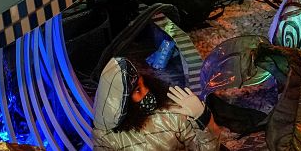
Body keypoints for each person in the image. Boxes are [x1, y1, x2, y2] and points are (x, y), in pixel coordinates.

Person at [91, 57, 224, 150]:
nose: (147, 91)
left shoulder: (173, 113)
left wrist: (203, 118)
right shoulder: (105, 136)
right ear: (121, 105)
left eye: (144, 84)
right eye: (138, 90)